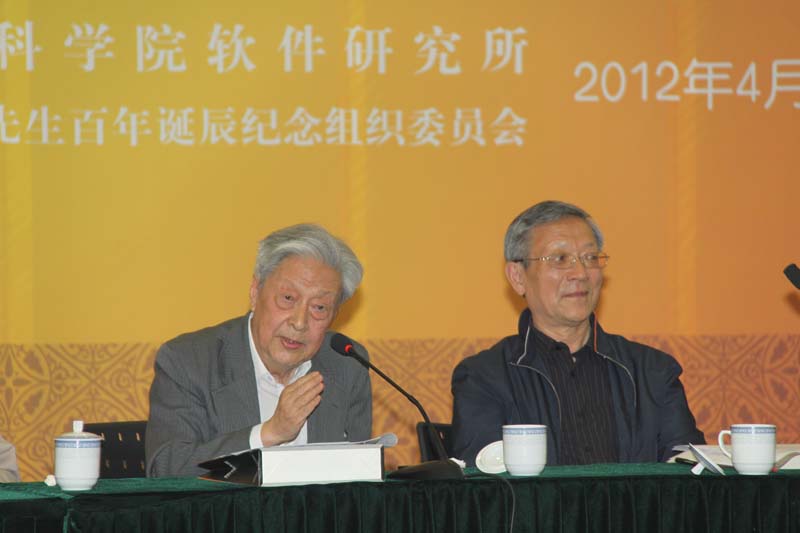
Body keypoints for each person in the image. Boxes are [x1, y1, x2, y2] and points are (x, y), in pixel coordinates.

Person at [451, 201, 704, 467]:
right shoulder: (484, 379)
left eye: (590, 258)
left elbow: (690, 476)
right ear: (517, 277)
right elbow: (485, 484)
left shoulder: (652, 372)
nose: (581, 273)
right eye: (560, 259)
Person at [146, 224, 372, 477]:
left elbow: (361, 479)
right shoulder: (188, 361)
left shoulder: (347, 363)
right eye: (288, 298)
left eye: (319, 307)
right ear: (255, 292)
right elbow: (166, 468)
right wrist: (270, 433)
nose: (299, 322)